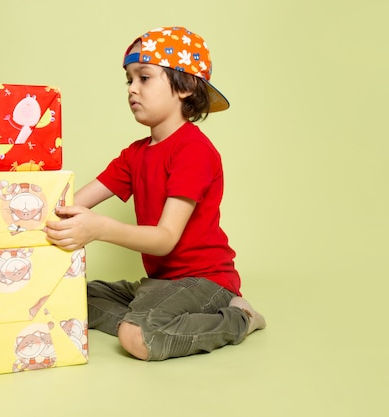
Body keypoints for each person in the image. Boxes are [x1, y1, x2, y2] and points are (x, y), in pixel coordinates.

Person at [45, 26, 266, 361]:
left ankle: (240, 318)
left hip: (205, 281)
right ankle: (152, 315)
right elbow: (72, 202)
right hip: (161, 283)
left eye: (144, 78)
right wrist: (25, 206)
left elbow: (165, 239)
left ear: (186, 86)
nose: (132, 89)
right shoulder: (135, 154)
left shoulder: (194, 150)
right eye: (129, 80)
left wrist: (99, 229)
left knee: (139, 337)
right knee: (71, 294)